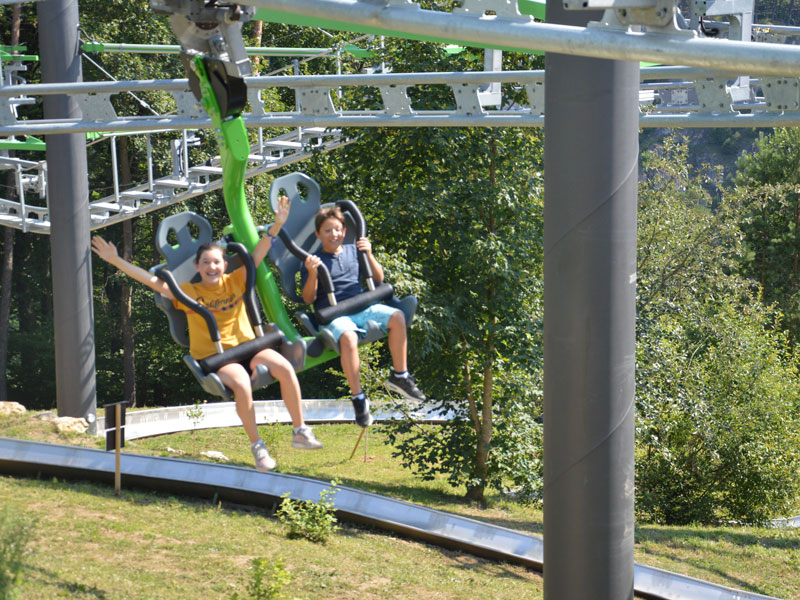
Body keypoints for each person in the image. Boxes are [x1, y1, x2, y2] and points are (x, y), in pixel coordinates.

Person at [91, 196, 321, 473]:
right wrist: (116, 261)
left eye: (217, 262)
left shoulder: (236, 279)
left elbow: (259, 252)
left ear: (225, 264)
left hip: (250, 344)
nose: (212, 267)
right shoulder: (188, 291)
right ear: (198, 267)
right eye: (206, 263)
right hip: (217, 357)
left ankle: (300, 430)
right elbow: (151, 280)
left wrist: (278, 224)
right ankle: (258, 447)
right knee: (243, 384)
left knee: (284, 366)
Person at [301, 206, 426, 427]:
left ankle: (400, 375)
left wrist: (368, 254)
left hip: (362, 306)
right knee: (348, 338)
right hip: (335, 314)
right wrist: (312, 274)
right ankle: (359, 398)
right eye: (327, 231)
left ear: (345, 230)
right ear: (318, 234)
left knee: (397, 316)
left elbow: (378, 279)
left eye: (337, 230)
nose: (334, 235)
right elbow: (308, 298)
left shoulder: (353, 250)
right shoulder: (314, 261)